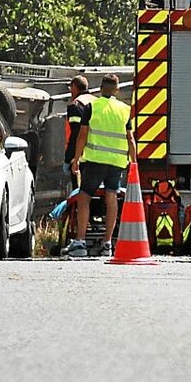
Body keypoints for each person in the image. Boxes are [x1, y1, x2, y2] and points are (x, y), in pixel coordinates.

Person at [65, 73, 136, 258]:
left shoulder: (92, 107)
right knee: (111, 198)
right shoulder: (124, 110)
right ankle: (107, 244)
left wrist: (76, 158)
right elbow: (130, 138)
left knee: (84, 197)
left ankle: (80, 242)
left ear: (101, 88)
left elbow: (82, 135)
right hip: (117, 163)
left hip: (95, 161)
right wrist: (134, 162)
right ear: (117, 90)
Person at [63, 76, 91, 188]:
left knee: (80, 192)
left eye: (71, 87)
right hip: (96, 157)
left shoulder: (76, 105)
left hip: (80, 158)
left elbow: (76, 134)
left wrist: (69, 158)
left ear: (74, 87)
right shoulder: (96, 101)